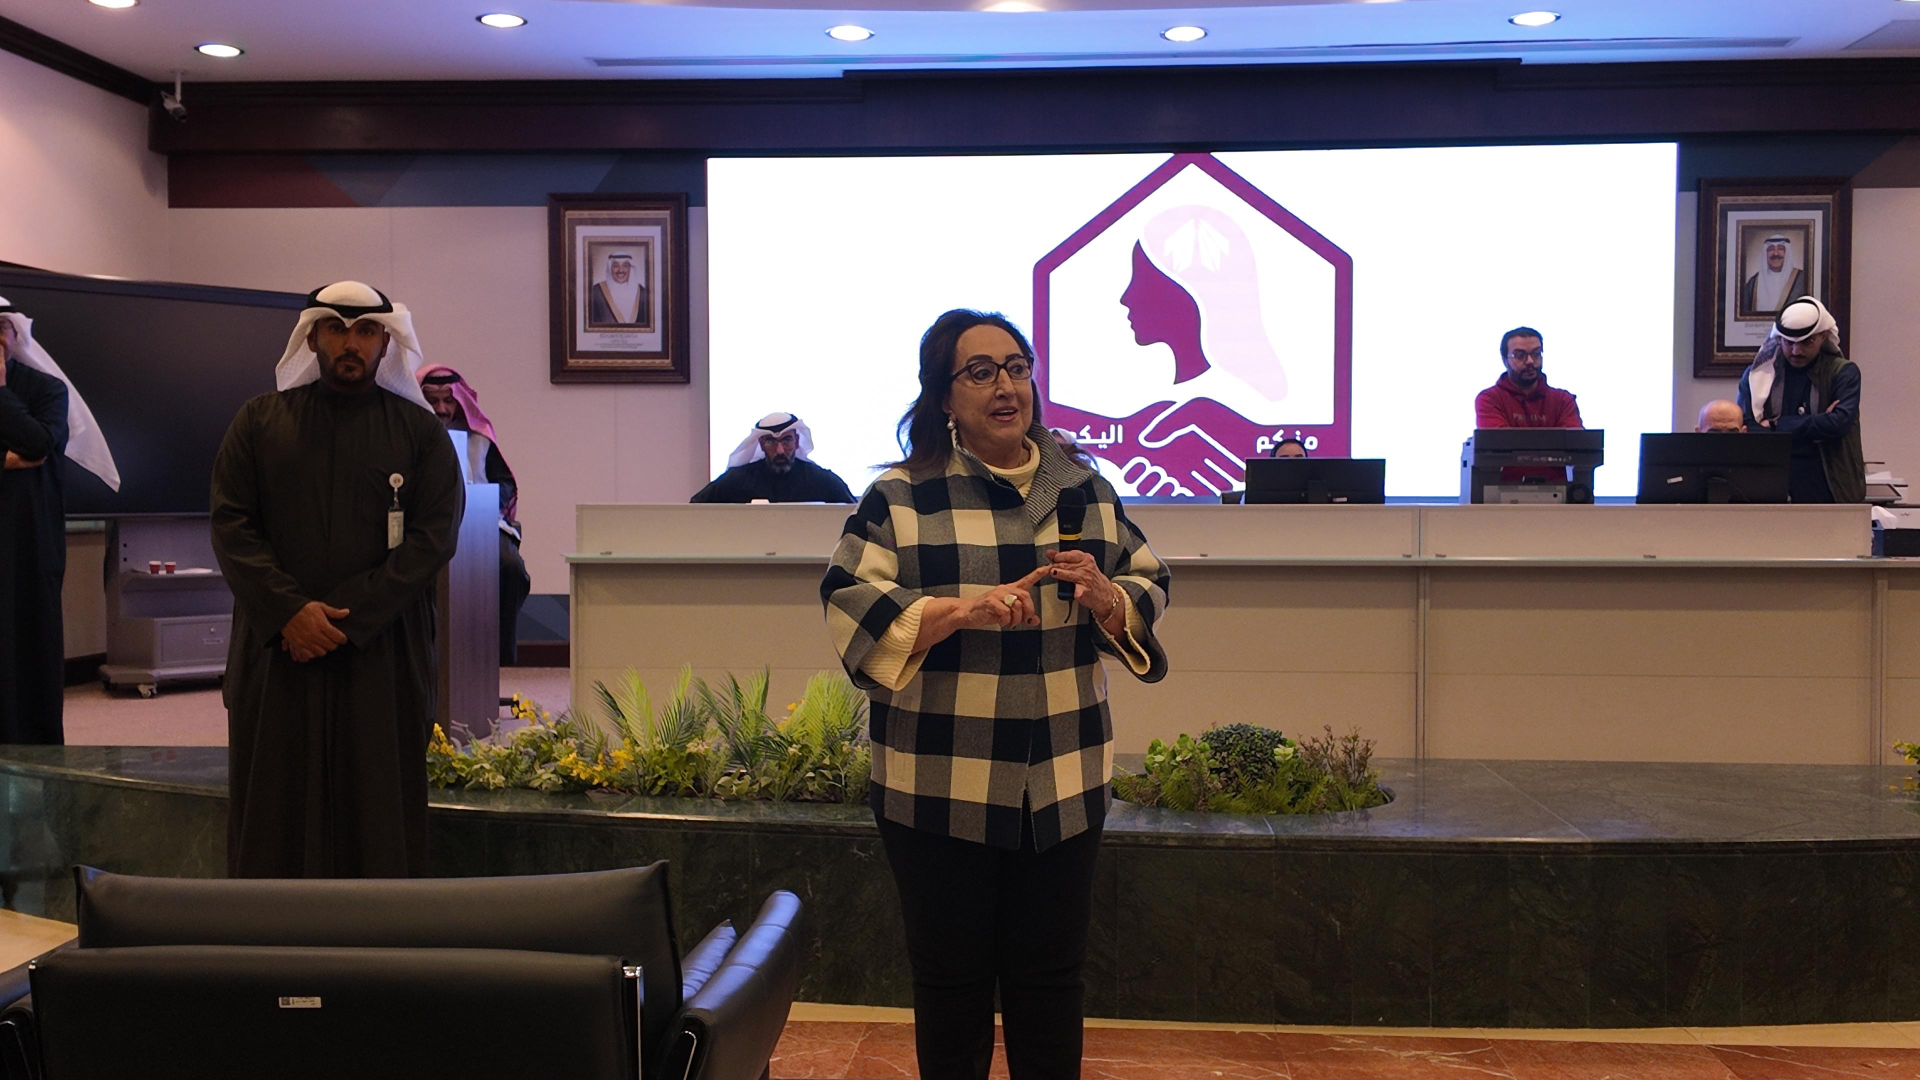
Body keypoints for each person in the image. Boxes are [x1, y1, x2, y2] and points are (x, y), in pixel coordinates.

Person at [822, 309, 1171, 1080]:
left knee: (1051, 982)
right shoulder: (900, 498)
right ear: (944, 397)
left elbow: (1148, 580)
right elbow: (850, 604)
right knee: (952, 986)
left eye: (1016, 367)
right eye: (980, 372)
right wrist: (961, 612)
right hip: (938, 782)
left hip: (1064, 778)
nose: (1006, 386)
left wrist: (1107, 597)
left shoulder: (1084, 489)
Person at [210, 281, 464, 878]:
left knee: (378, 801)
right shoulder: (258, 422)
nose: (351, 344)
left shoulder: (419, 433)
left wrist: (345, 619)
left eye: (366, 332)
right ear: (311, 338)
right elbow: (231, 524)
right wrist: (290, 613)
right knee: (273, 798)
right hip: (278, 649)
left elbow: (433, 538)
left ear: (386, 343)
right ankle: (271, 927)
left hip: (381, 651)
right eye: (336, 330)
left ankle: (379, 928)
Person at [1, 299, 119, 745]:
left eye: (1, 329)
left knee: (28, 637)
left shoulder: (48, 389)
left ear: (16, 336)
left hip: (28, 542)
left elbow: (37, 443)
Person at [418, 365, 532, 666]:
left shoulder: (480, 436)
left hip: (480, 522)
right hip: (425, 525)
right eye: (432, 401)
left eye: (448, 400)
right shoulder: (411, 435)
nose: (441, 409)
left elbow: (505, 482)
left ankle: (498, 655)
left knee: (510, 567)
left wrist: (488, 503)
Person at [1736, 296, 1863, 503]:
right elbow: (1747, 429)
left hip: (1828, 488)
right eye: (1789, 342)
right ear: (1779, 339)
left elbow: (1838, 423)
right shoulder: (1757, 376)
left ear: (1822, 336)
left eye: (1806, 342)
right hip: (1771, 486)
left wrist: (1775, 425)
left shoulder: (1843, 373)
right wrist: (1818, 423)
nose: (1796, 351)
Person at [692, 413, 857, 503]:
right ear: (761, 444)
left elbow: (854, 517)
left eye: (787, 440)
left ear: (797, 441)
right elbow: (696, 507)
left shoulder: (821, 480)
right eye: (771, 442)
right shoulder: (738, 479)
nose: (780, 451)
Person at [1475, 327, 1582, 429]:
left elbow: (1573, 439)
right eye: (1520, 355)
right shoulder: (1490, 399)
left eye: (1536, 353)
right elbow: (1498, 440)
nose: (1530, 361)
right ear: (1504, 360)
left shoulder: (1563, 400)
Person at [1741, 234, 1803, 317]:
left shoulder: (1801, 279)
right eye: (1771, 249)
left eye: (1780, 249)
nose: (1776, 253)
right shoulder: (1753, 283)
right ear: (1765, 253)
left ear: (1787, 253)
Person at [587, 250, 648, 327]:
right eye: (616, 266)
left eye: (625, 266)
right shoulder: (596, 292)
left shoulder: (642, 293)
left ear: (630, 268)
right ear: (610, 268)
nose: (620, 270)